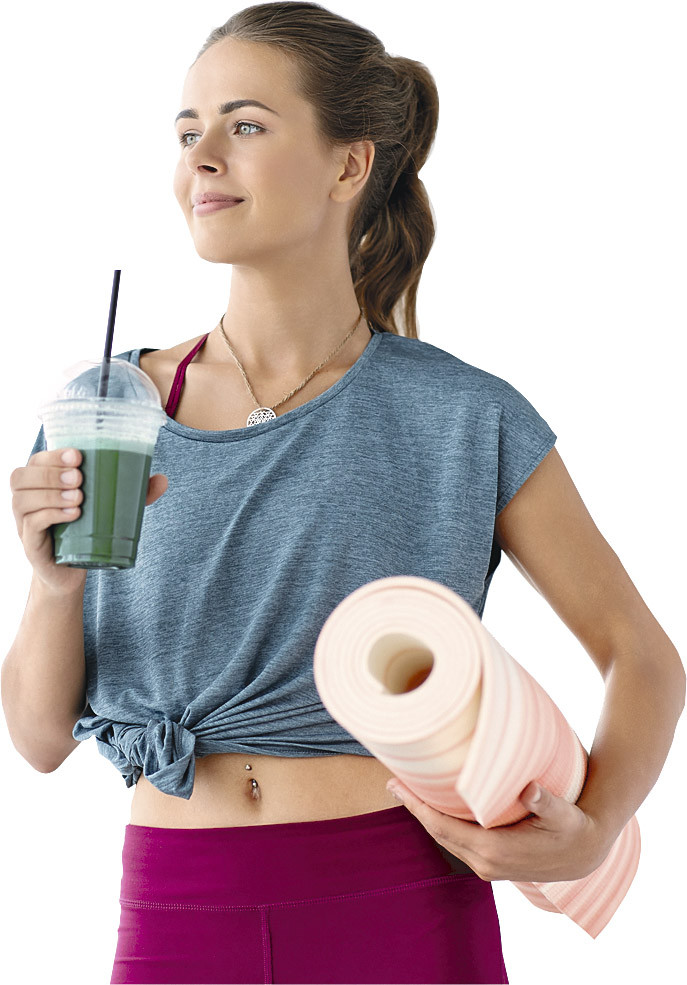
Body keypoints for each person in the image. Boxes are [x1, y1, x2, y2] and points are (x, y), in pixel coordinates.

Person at [4, 2, 684, 983]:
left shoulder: (462, 415)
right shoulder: (106, 412)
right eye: (187, 132)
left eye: (245, 124)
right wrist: (54, 583)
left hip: (400, 900)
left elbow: (642, 654)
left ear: (348, 165)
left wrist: (596, 824)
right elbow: (37, 741)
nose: (202, 158)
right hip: (176, 908)